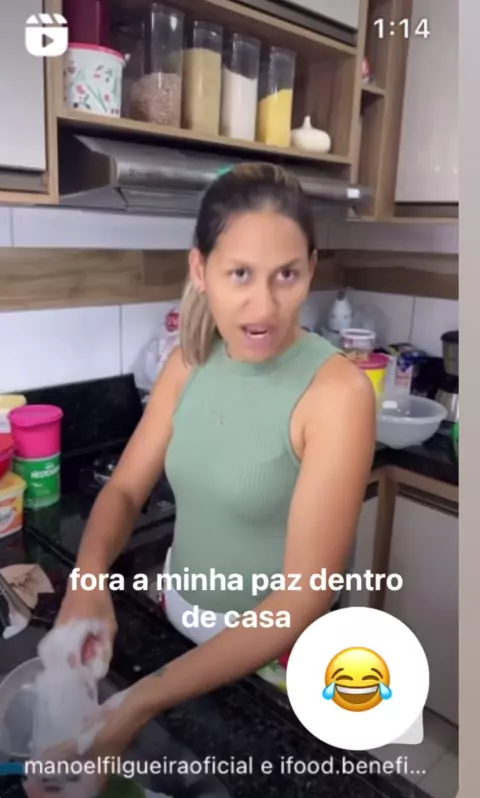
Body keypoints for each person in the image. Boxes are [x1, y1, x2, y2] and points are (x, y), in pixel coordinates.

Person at [53, 162, 376, 762]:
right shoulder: (189, 363)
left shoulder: (339, 394)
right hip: (177, 628)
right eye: (240, 274)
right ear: (201, 270)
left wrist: (140, 701)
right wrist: (88, 578)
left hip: (273, 665)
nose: (265, 306)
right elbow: (124, 490)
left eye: (286, 274)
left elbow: (305, 594)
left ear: (311, 268)